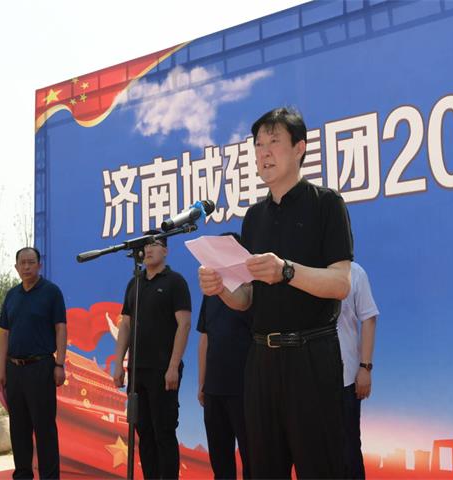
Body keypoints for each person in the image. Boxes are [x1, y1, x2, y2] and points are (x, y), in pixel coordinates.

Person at [198, 107, 354, 479]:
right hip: (261, 360)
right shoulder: (254, 217)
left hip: (311, 356)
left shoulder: (326, 204)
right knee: (264, 468)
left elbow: (341, 283)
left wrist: (286, 271)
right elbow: (248, 299)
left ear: (299, 148)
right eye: (258, 145)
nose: (264, 152)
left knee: (322, 467)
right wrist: (222, 290)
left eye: (274, 142)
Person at [112, 230, 192, 479]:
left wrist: (173, 366)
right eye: (145, 245)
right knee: (143, 431)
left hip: (163, 370)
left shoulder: (175, 282)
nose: (148, 249)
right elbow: (125, 325)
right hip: (138, 371)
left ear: (165, 251)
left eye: (154, 244)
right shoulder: (134, 283)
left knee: (163, 432)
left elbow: (184, 324)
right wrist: (118, 364)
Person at [0, 247, 67, 480]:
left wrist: (60, 364)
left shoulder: (51, 292)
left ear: (39, 265)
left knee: (44, 429)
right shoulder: (11, 295)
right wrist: (1, 371)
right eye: (22, 263)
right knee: (19, 428)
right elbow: (4, 333)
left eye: (31, 262)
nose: (26, 267)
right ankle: (23, 475)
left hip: (41, 367)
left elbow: (61, 328)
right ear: (16, 267)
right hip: (14, 370)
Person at [197, 233, 252, 479]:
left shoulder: (252, 287)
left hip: (245, 388)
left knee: (253, 457)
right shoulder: (211, 291)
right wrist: (202, 383)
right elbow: (205, 337)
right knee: (220, 460)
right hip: (214, 388)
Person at [337, 262, 379, 479]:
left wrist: (365, 367)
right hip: (310, 378)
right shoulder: (304, 269)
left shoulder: (355, 272)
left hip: (346, 376)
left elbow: (369, 318)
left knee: (349, 448)